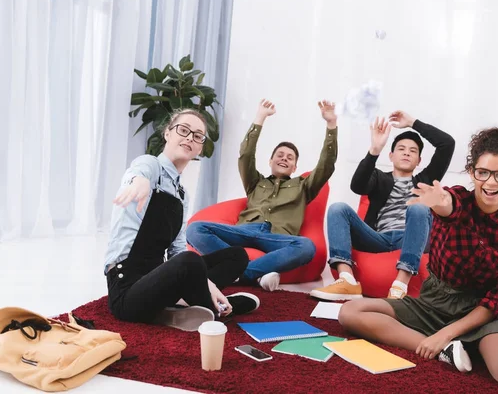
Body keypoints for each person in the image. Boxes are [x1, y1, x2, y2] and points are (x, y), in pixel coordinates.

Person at [336, 127, 498, 388]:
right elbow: (450, 206)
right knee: (351, 312)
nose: (491, 182)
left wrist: (446, 333)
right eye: (483, 172)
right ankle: (445, 350)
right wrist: (439, 201)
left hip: (484, 312)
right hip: (434, 303)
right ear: (473, 172)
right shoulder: (457, 198)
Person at [104, 109, 259, 332]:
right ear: (168, 133)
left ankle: (183, 304)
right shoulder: (150, 166)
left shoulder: (181, 194)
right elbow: (139, 170)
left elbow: (176, 252)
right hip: (127, 290)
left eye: (197, 136)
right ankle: (215, 308)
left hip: (158, 280)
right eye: (183, 130)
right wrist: (139, 181)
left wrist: (206, 282)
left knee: (236, 256)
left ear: (200, 147)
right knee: (190, 261)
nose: (189, 138)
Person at [187, 99, 338, 291]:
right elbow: (245, 156)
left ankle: (242, 273)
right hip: (244, 231)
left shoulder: (304, 186)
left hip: (277, 237)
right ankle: (254, 274)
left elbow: (327, 164)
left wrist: (331, 124)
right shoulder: (255, 182)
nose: (284, 158)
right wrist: (260, 118)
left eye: (290, 157)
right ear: (271, 160)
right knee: (195, 229)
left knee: (307, 247)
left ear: (295, 167)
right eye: (280, 155)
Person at [311, 112, 455, 301]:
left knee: (418, 207)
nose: (406, 152)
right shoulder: (379, 177)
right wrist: (374, 150)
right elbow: (357, 186)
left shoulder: (425, 180)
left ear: (419, 160)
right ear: (391, 155)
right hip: (378, 238)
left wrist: (412, 123)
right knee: (338, 208)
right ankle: (347, 280)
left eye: (412, 151)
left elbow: (447, 144)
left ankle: (400, 285)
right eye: (401, 149)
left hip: (411, 237)